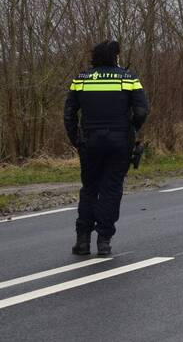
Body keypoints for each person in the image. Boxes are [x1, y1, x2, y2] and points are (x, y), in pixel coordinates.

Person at [63, 40, 149, 256]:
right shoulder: (128, 78)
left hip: (89, 140)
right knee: (111, 189)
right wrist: (131, 131)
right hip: (119, 140)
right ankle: (104, 240)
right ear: (115, 56)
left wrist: (76, 138)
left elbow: (69, 113)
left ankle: (82, 240)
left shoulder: (81, 79)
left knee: (89, 188)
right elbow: (141, 111)